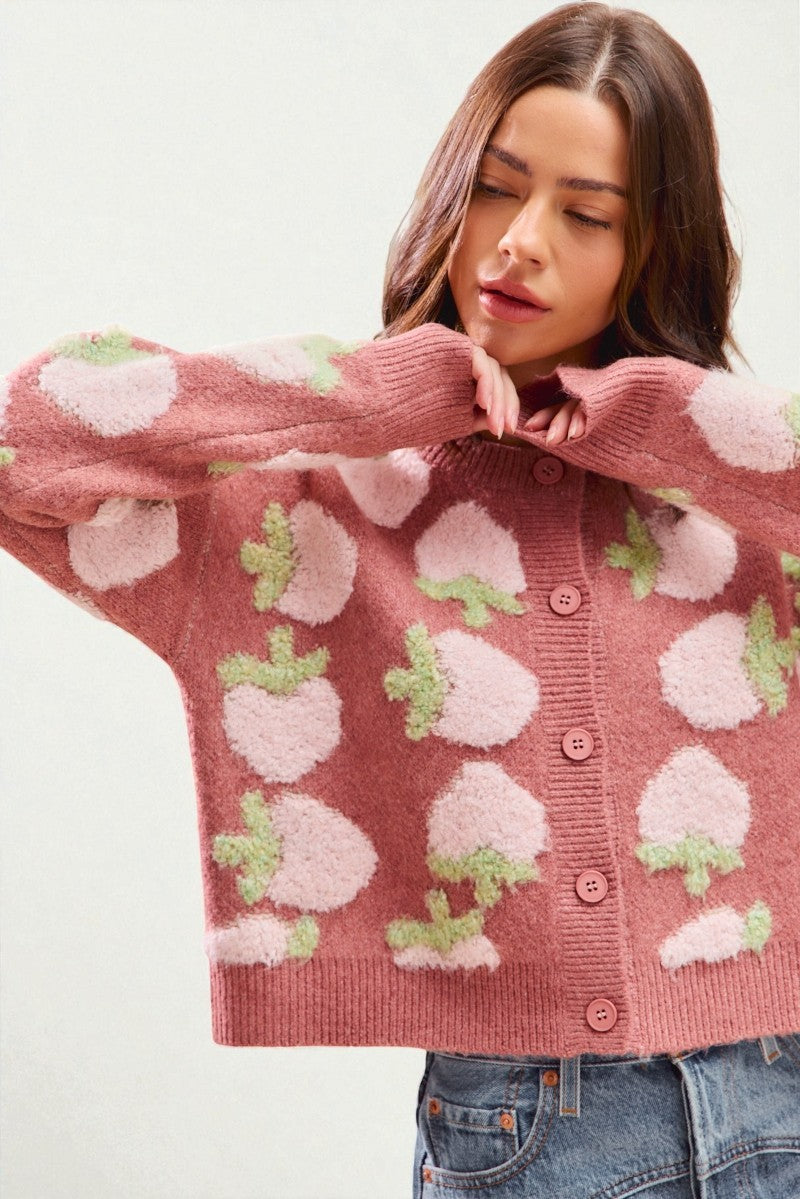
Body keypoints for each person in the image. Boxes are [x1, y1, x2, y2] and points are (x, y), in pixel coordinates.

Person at [1, 3, 798, 1197]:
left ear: (655, 248)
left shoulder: (741, 507)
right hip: (538, 1132)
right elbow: (30, 442)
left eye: (585, 215)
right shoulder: (297, 518)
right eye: (495, 189)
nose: (519, 242)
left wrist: (663, 418)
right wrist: (369, 394)